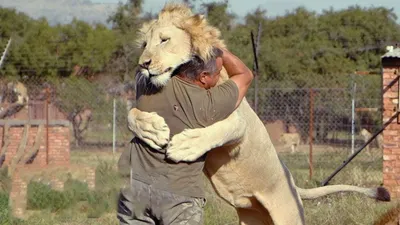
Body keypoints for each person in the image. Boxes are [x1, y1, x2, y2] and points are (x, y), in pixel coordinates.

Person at [117, 48, 253, 225]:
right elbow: (245, 74)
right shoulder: (209, 104)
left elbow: (147, 57)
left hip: (134, 186)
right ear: (204, 77)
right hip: (179, 198)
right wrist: (217, 48)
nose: (220, 77)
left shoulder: (147, 84)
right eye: (218, 73)